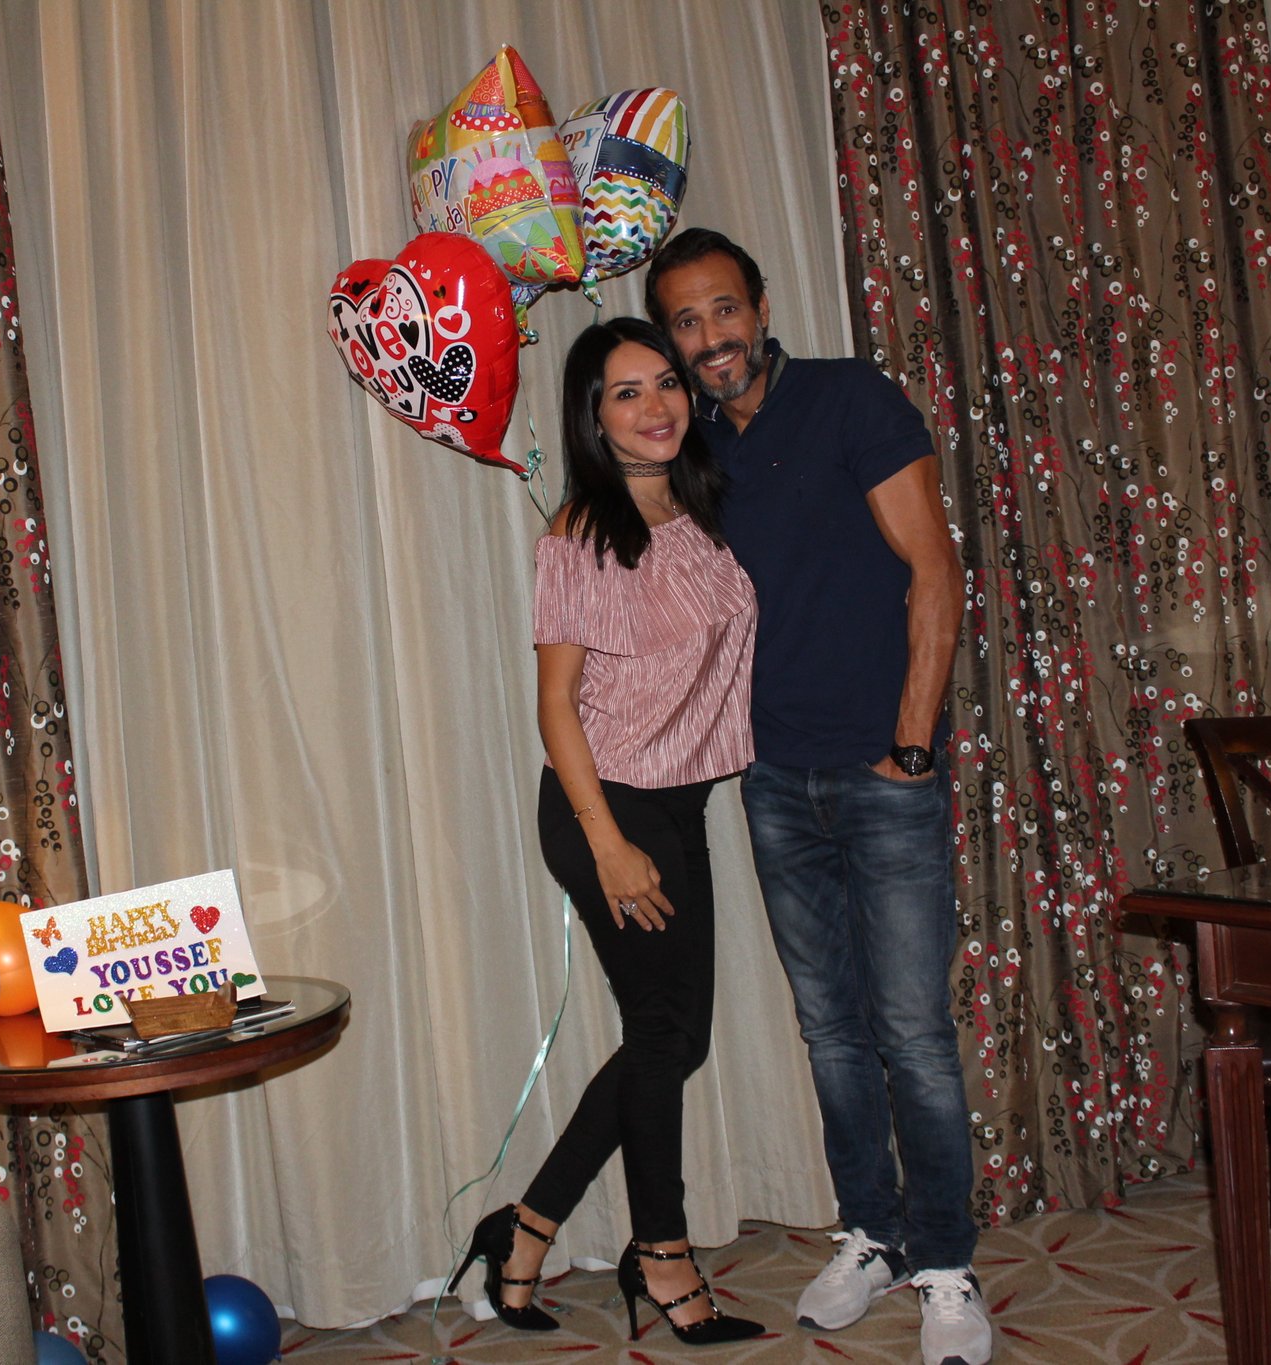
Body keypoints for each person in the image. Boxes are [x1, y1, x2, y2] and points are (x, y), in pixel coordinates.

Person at [647, 228, 991, 1365]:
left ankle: (944, 1261)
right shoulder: (695, 450)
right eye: (686, 322)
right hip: (774, 778)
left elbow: (934, 569)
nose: (710, 337)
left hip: (882, 771)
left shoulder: (852, 400)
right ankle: (872, 1234)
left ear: (758, 305)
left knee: (911, 1032)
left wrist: (910, 745)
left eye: (722, 310)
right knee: (831, 1030)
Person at [446, 318, 764, 1345]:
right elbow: (555, 706)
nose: (655, 406)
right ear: (592, 417)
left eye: (664, 382)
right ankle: (662, 1254)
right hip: (606, 805)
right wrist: (608, 844)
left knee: (672, 1038)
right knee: (666, 1037)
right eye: (625, 393)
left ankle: (524, 1228)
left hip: (676, 802)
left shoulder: (699, 510)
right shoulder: (578, 535)